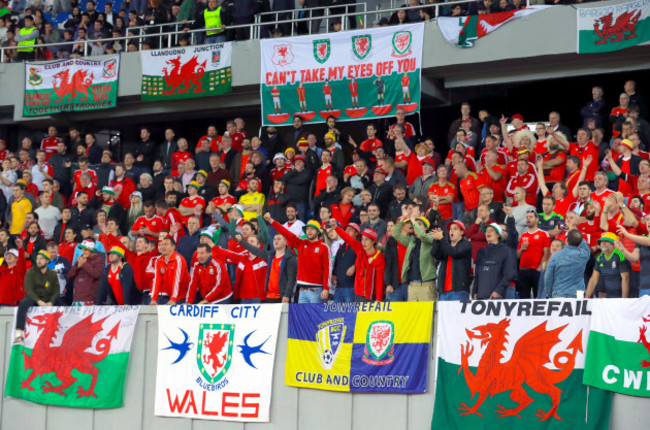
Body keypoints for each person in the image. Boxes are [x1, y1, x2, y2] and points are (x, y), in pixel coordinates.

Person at [267, 213, 331, 303]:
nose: (309, 231)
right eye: (308, 229)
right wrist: (271, 220)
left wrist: (326, 288)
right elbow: (286, 232)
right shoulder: (301, 243)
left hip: (316, 290)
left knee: (314, 317)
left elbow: (327, 269)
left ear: (318, 232)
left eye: (312, 229)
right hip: (301, 290)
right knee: (303, 317)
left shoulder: (324, 247)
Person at [331, 219, 385, 302]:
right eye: (362, 239)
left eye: (366, 239)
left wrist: (378, 299)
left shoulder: (379, 257)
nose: (363, 242)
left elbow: (379, 280)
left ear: (373, 241)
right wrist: (336, 228)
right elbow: (348, 239)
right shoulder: (360, 249)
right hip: (358, 294)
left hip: (371, 296)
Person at [236, 231, 297, 303]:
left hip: (282, 297)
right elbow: (255, 251)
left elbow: (291, 279)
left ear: (285, 242)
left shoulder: (290, 258)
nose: (276, 240)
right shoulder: (270, 255)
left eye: (279, 239)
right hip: (268, 296)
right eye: (274, 239)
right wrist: (241, 241)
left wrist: (287, 295)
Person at [13, 251, 60, 345]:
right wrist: (39, 301)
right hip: (34, 299)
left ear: (47, 261)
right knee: (23, 303)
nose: (38, 261)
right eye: (37, 259)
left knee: (63, 305)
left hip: (47, 299)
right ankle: (19, 333)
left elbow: (56, 291)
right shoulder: (30, 272)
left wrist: (51, 302)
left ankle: (60, 333)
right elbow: (29, 290)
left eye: (41, 259)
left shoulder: (52, 274)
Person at [392, 206, 436, 301]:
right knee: (414, 315)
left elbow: (422, 235)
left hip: (426, 285)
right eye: (415, 224)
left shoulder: (430, 238)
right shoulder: (412, 241)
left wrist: (412, 219)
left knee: (425, 314)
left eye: (419, 224)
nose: (415, 226)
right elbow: (395, 234)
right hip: (412, 285)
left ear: (426, 228)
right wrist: (403, 218)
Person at [430, 220, 472, 301]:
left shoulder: (466, 245)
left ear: (462, 232)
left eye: (455, 229)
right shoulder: (446, 245)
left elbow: (454, 252)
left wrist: (442, 238)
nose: (451, 231)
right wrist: (436, 240)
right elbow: (435, 254)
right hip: (443, 292)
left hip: (459, 291)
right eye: (450, 229)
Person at [474, 223, 518, 299]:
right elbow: (478, 274)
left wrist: (498, 291)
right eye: (487, 231)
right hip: (481, 297)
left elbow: (510, 273)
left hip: (498, 297)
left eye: (491, 230)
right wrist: (475, 291)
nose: (488, 232)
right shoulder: (481, 252)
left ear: (498, 235)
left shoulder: (506, 251)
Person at [543, 229, 590, 298]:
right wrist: (576, 234)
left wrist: (548, 293)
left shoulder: (555, 256)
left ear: (566, 240)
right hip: (577, 295)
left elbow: (548, 277)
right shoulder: (583, 255)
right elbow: (584, 245)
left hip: (558, 294)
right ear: (580, 241)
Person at [586, 232, 630, 298]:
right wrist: (587, 297)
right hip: (609, 296)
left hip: (622, 296)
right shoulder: (600, 258)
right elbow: (594, 279)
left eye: (606, 241)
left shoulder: (620, 256)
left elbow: (625, 278)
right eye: (601, 241)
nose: (603, 243)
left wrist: (623, 300)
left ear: (613, 244)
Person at [151, 236, 190, 305]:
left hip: (184, 297)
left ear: (173, 247)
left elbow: (177, 280)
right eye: (162, 244)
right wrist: (154, 299)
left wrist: (173, 299)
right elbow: (157, 280)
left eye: (165, 244)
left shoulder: (178, 260)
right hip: (171, 296)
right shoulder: (158, 260)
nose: (162, 247)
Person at [67, 240, 104, 306]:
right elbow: (69, 275)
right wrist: (77, 266)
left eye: (86, 250)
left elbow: (96, 274)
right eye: (82, 250)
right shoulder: (80, 259)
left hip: (90, 299)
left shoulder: (99, 260)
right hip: (77, 299)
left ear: (92, 250)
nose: (83, 252)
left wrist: (84, 263)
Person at [0, 239, 26, 307]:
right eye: (7, 255)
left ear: (17, 258)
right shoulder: (2, 269)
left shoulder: (20, 270)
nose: (8, 256)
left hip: (13, 303)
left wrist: (20, 248)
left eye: (11, 255)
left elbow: (22, 261)